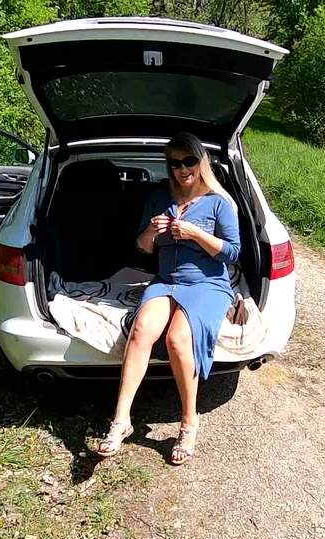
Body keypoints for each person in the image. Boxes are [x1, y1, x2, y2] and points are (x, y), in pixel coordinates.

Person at [96, 132, 240, 465]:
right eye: (175, 163)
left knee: (177, 338)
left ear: (201, 162)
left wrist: (196, 234)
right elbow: (143, 247)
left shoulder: (218, 202)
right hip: (165, 282)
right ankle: (121, 420)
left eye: (189, 161)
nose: (182, 169)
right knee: (141, 330)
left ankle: (189, 422)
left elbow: (233, 252)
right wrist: (151, 232)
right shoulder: (159, 198)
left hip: (207, 285)